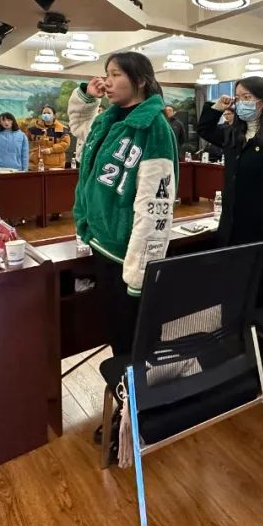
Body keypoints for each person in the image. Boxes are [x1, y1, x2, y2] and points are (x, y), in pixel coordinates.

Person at [72, 52, 178, 356]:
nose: (107, 81)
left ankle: (137, 385)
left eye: (116, 74)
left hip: (126, 255)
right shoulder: (109, 119)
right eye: (107, 74)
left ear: (140, 81)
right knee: (115, 332)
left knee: (134, 338)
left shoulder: (153, 128)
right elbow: (81, 128)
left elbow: (155, 207)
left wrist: (139, 273)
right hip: (101, 241)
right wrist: (87, 97)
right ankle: (125, 381)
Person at [198, 77, 263, 305]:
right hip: (231, 226)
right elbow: (205, 129)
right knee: (232, 289)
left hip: (259, 228)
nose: (241, 103)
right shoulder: (233, 135)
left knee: (261, 290)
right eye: (238, 98)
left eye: (247, 97)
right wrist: (217, 107)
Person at [26, 105, 71, 171]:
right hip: (35, 165)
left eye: (49, 113)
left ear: (54, 115)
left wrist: (51, 150)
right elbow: (23, 138)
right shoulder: (34, 128)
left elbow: (65, 144)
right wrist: (24, 125)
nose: (46, 115)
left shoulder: (62, 128)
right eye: (44, 113)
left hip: (55, 165)